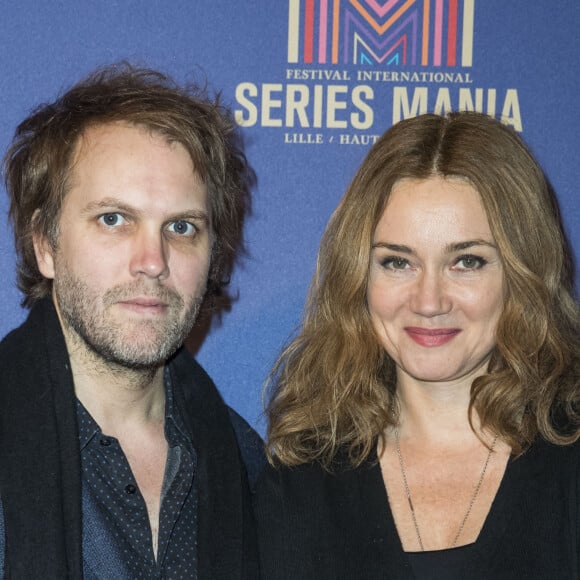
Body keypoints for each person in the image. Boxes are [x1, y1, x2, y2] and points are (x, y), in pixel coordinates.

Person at [254, 112, 580, 579]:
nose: (429, 301)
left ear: (522, 272)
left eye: (466, 261)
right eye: (397, 262)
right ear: (358, 275)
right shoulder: (302, 477)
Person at [0, 63, 263, 578]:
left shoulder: (244, 463)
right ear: (45, 246)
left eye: (182, 227)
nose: (153, 260)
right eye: (114, 220)